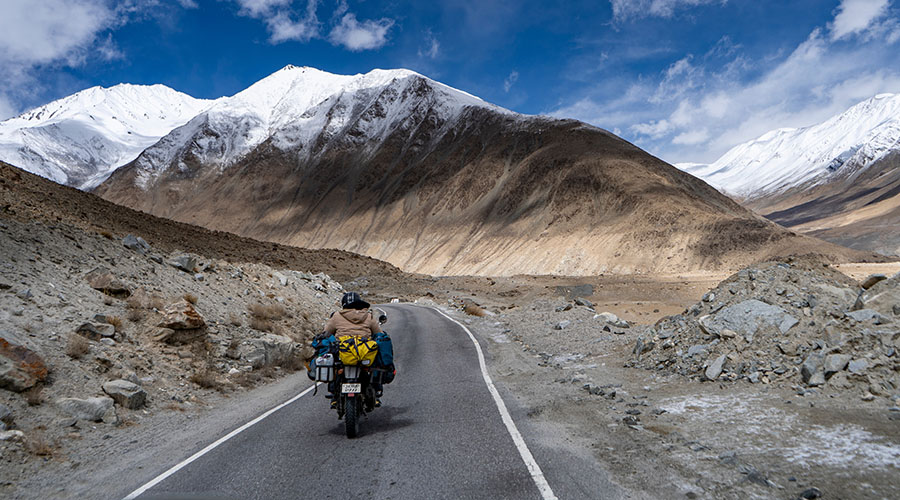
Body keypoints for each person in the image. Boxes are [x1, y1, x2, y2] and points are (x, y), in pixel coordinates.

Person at [323, 291, 383, 408]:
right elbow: (378, 333)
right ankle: (375, 392)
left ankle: (334, 397)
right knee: (375, 364)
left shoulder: (336, 316)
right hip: (363, 353)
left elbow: (326, 333)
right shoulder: (368, 316)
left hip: (344, 352)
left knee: (334, 366)